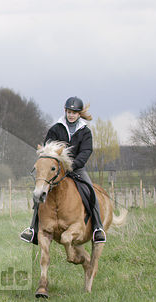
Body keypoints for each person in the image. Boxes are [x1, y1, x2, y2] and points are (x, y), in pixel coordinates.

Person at [20, 96, 106, 244]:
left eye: (74, 112)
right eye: (69, 112)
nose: (71, 115)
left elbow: (86, 151)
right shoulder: (55, 129)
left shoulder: (85, 132)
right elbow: (48, 149)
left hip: (76, 169)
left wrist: (72, 165)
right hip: (55, 171)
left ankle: (97, 228)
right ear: (65, 111)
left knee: (90, 192)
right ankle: (32, 229)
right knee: (39, 193)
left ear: (79, 114)